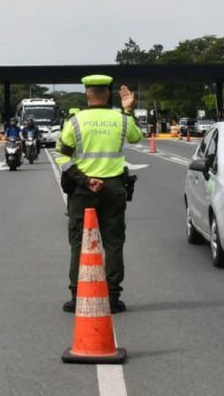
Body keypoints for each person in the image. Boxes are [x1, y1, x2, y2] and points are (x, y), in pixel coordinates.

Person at [58, 75, 141, 314]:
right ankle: (113, 298)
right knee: (114, 243)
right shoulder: (120, 119)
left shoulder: (75, 121)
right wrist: (128, 110)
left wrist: (85, 180)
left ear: (87, 93)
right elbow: (136, 137)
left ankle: (77, 296)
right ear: (108, 94)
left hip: (83, 190)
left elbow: (62, 156)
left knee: (78, 243)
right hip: (114, 188)